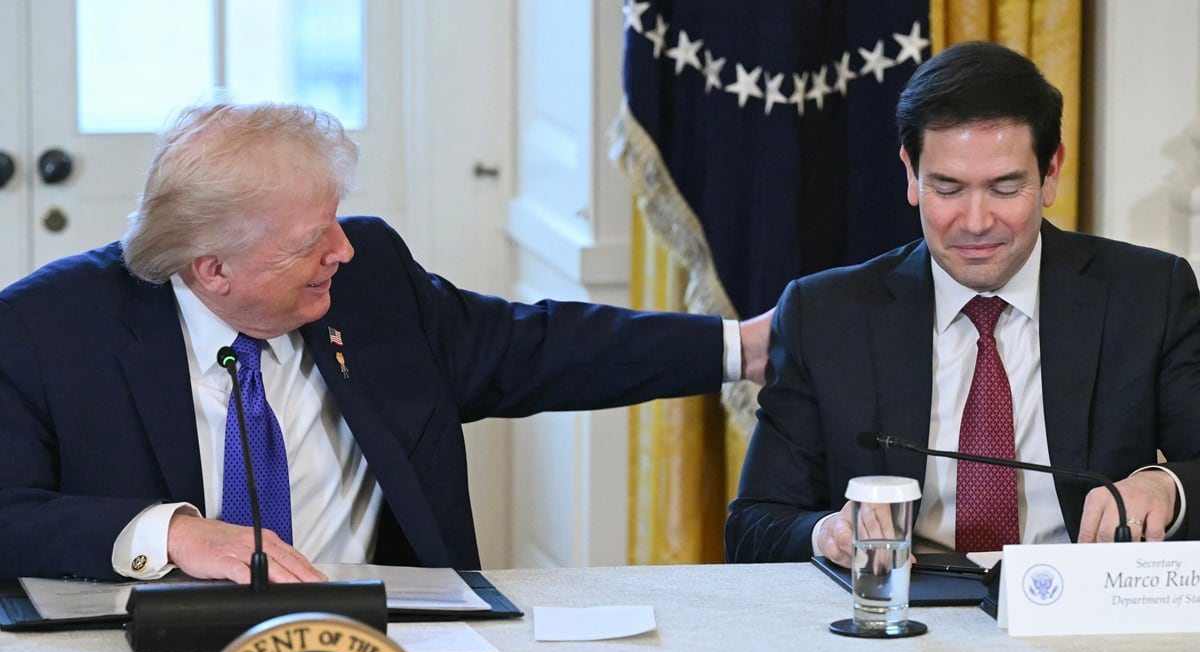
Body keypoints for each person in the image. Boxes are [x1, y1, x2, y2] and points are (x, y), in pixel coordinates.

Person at [0, 101, 771, 583]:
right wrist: (167, 532)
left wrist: (740, 347)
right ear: (213, 270)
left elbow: (539, 347)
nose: (342, 249)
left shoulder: (370, 286)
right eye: (310, 239)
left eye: (337, 218)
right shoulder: (46, 332)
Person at [726, 41, 1200, 566]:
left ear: (1050, 172)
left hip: (1082, 611)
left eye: (1004, 187)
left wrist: (1167, 486)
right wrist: (828, 533)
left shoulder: (1149, 294)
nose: (975, 223)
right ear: (911, 175)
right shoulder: (826, 313)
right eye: (948, 189)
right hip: (902, 615)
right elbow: (753, 524)